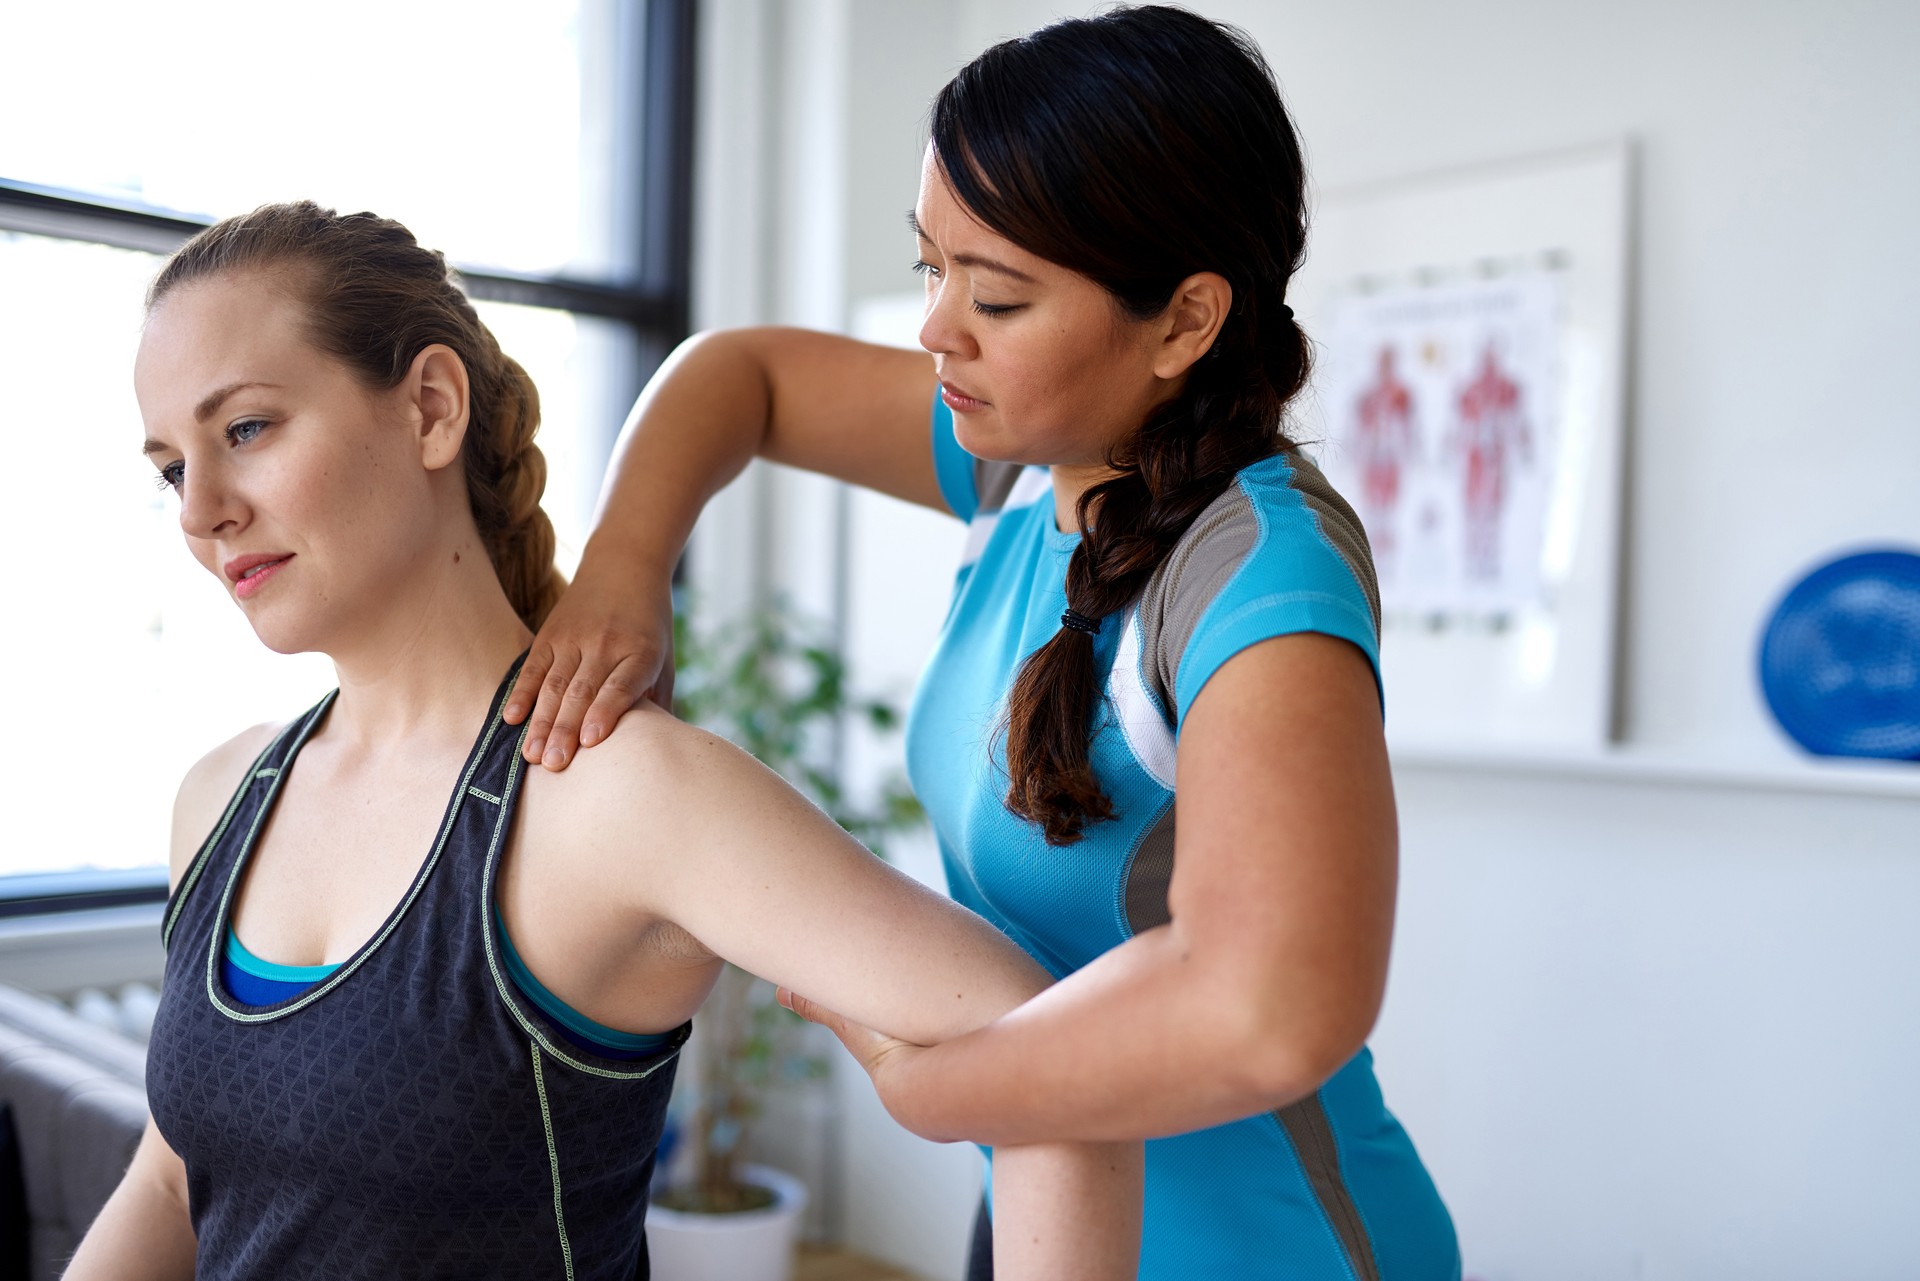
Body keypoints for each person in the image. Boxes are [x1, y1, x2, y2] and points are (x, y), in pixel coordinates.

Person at [502, 7, 1462, 1279]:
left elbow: (1277, 1008)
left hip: (1267, 1250)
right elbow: (741, 377)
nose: (935, 330)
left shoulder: (1256, 575)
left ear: (1184, 321)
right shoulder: (1029, 468)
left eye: (997, 296)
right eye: (931, 270)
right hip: (1042, 1208)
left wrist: (931, 1093)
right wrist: (624, 567)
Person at [65, 201, 1140, 1281]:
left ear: (431, 409)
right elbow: (172, 1180)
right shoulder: (219, 799)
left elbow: (1066, 1073)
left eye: (245, 430)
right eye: (170, 470)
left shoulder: (612, 794)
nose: (200, 510)